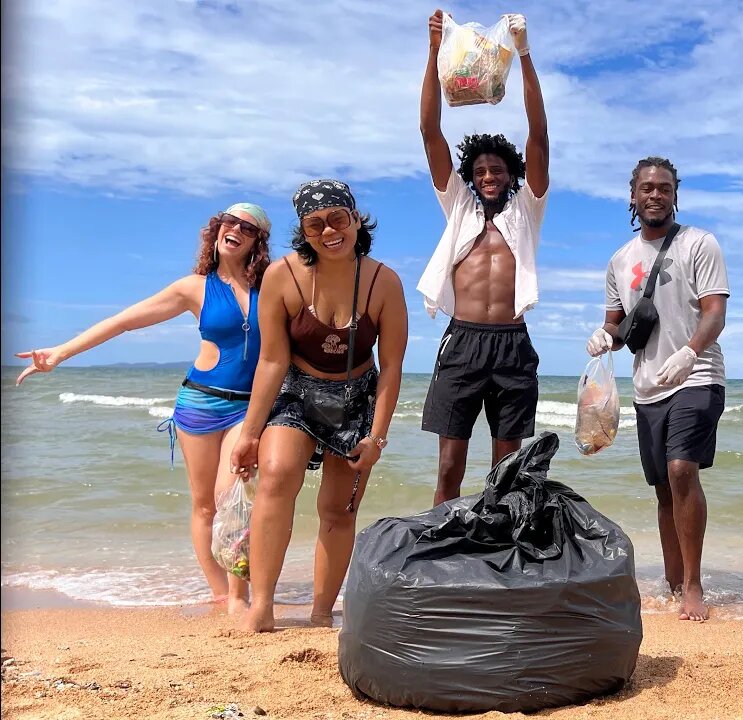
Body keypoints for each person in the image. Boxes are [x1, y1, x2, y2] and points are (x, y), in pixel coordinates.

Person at [16, 203, 274, 613]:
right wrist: (60, 352)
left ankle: (241, 590)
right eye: (229, 221)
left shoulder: (272, 285)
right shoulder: (194, 287)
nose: (236, 229)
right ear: (217, 230)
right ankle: (222, 594)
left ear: (258, 241)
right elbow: (124, 321)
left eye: (248, 227)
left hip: (248, 407)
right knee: (205, 503)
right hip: (200, 403)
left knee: (234, 495)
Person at [230, 180, 408, 633]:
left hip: (357, 397)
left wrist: (377, 437)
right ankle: (262, 606)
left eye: (337, 219)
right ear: (304, 231)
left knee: (337, 509)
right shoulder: (282, 276)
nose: (329, 231)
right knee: (275, 477)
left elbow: (391, 368)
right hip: (297, 389)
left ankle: (320, 612)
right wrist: (250, 433)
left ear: (354, 220)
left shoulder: (383, 281)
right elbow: (272, 359)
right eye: (315, 223)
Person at [586, 157, 730, 622]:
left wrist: (690, 351)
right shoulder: (619, 260)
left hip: (697, 375)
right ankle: (672, 584)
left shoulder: (699, 243)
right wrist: (603, 336)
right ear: (633, 196)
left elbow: (714, 312)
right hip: (647, 388)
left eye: (664, 188)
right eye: (646, 188)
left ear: (675, 194)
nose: (655, 195)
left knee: (682, 469)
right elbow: (615, 322)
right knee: (664, 489)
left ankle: (693, 587)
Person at [417, 10, 549, 506]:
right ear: (471, 178)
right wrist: (433, 54)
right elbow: (430, 130)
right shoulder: (460, 206)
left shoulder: (526, 210)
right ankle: (438, 549)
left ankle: (499, 550)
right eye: (480, 170)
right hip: (463, 342)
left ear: (511, 174)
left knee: (507, 467)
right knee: (449, 465)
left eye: (497, 169)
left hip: (513, 343)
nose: (489, 175)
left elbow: (539, 135)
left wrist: (525, 55)